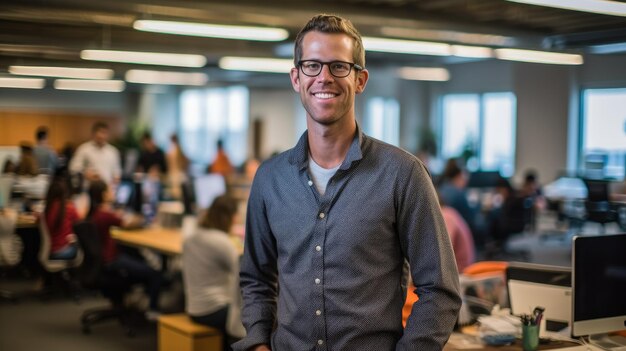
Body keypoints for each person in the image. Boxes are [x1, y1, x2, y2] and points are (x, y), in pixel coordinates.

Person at [235, 14, 461, 351]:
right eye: (312, 66)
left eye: (339, 66)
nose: (324, 77)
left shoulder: (402, 174)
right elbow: (256, 278)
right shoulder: (270, 178)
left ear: (360, 79)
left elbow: (439, 289)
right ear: (296, 78)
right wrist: (257, 342)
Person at [86, 179, 162, 316]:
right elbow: (127, 223)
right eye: (109, 190)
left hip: (104, 259)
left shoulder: (95, 213)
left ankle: (133, 300)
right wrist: (142, 218)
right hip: (112, 259)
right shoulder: (105, 214)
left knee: (139, 257)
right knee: (154, 273)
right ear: (103, 195)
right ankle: (153, 310)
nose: (112, 192)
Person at [182, 195, 241, 351]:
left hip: (193, 308)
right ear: (230, 216)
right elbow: (243, 274)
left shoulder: (192, 236)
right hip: (214, 310)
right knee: (260, 320)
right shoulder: (222, 241)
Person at [437, 158, 483, 248]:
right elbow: (471, 217)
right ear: (459, 175)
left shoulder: (442, 188)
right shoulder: (458, 193)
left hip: (445, 232)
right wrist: (478, 204)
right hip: (461, 235)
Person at [69, 122, 121, 186]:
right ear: (93, 134)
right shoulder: (84, 149)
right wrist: (85, 173)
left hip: (107, 190)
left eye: (105, 133)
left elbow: (117, 170)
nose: (102, 136)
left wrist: (116, 177)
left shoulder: (113, 151)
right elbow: (73, 168)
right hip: (89, 189)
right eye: (100, 132)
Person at [44, 176, 80, 259]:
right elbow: (79, 223)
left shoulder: (47, 210)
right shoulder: (69, 208)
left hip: (50, 250)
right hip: (63, 250)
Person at [439, 195, 476, 272]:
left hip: (460, 274)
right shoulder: (449, 212)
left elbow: (442, 250)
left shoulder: (445, 215)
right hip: (457, 271)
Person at [165, 134, 189, 200]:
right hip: (174, 173)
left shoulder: (176, 149)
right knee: (176, 192)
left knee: (178, 192)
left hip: (177, 173)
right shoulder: (175, 149)